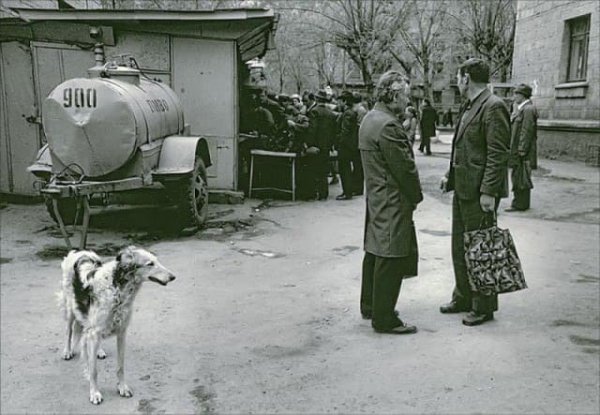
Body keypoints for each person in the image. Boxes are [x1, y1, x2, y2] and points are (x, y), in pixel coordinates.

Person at [439, 58, 510, 326]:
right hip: (464, 189)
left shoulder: (494, 106)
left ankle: (484, 306)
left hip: (481, 193)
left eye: (459, 77)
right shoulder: (470, 106)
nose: (457, 82)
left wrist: (489, 192)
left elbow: (497, 154)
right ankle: (464, 295)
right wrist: (451, 175)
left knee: (481, 248)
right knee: (460, 246)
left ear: (466, 78)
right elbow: (463, 147)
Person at [358, 71, 423, 334]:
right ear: (394, 95)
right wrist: (416, 196)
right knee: (390, 254)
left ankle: (370, 305)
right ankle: (384, 318)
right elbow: (405, 169)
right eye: (405, 94)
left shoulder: (370, 119)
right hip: (392, 197)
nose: (407, 100)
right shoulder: (389, 125)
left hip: (377, 194)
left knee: (375, 250)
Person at [506, 83, 537, 212]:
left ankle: (520, 204)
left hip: (522, 151)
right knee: (518, 175)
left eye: (516, 94)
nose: (514, 97)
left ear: (522, 95)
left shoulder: (528, 109)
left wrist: (522, 150)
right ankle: (520, 202)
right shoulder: (521, 108)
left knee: (521, 176)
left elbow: (526, 131)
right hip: (518, 148)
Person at [306, 89, 338, 200]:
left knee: (313, 169)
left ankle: (312, 193)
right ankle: (324, 194)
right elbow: (334, 131)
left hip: (316, 146)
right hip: (326, 146)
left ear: (316, 99)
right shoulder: (331, 114)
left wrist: (309, 144)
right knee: (324, 170)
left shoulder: (314, 111)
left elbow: (312, 129)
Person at [336, 90, 363, 200]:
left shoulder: (347, 113)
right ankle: (356, 189)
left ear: (344, 101)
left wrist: (339, 142)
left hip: (346, 146)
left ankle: (347, 192)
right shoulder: (352, 112)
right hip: (354, 144)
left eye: (340, 101)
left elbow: (345, 131)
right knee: (356, 167)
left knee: (344, 169)